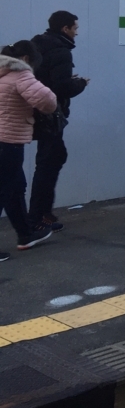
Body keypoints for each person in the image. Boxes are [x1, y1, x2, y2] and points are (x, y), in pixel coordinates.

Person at [28, 10, 89, 232]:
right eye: (75, 28)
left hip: (34, 112)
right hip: (50, 115)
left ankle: (42, 213)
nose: (77, 33)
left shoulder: (36, 46)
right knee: (48, 162)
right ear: (65, 29)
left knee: (52, 158)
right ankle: (38, 216)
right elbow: (61, 87)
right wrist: (80, 83)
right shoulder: (61, 51)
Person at [0, 41, 57, 258]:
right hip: (8, 142)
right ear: (25, 59)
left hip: (4, 140)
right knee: (4, 190)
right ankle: (25, 233)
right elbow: (47, 101)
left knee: (15, 188)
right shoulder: (21, 75)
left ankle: (25, 234)